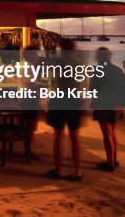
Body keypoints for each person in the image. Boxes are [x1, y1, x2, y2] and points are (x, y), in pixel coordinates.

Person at [45, 38, 84, 181]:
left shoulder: (57, 62)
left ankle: (58, 170)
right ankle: (78, 171)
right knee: (75, 138)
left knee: (58, 137)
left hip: (59, 100)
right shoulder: (79, 63)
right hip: (74, 101)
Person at [91, 47, 125, 172]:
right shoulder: (117, 70)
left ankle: (110, 163)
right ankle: (114, 159)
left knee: (107, 133)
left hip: (103, 105)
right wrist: (121, 104)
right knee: (112, 132)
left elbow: (92, 89)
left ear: (99, 57)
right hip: (115, 105)